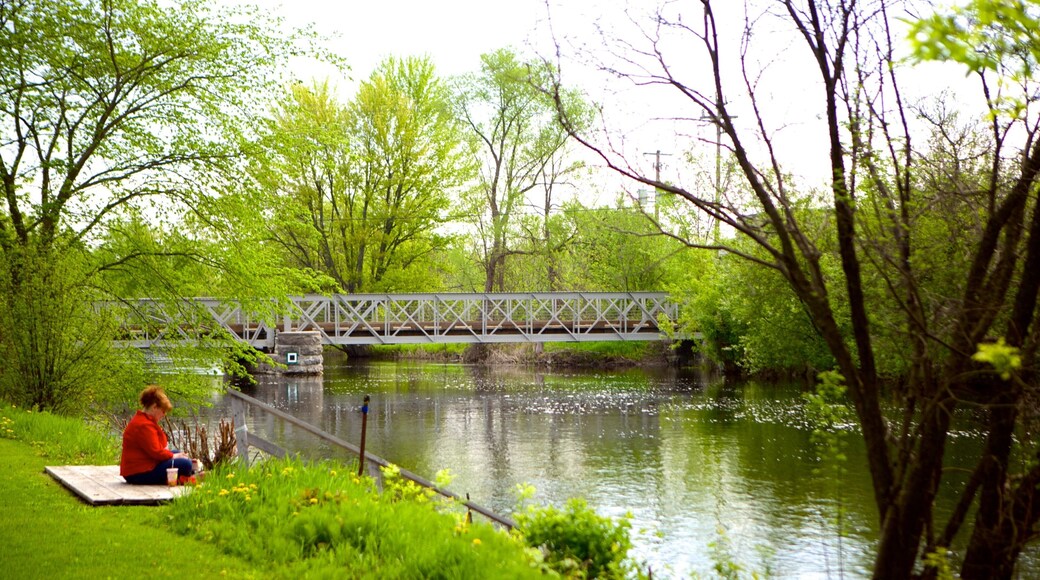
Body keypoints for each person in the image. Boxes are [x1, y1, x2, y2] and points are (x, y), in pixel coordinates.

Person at [120, 385, 196, 485]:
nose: (164, 414)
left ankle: (183, 477)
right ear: (154, 407)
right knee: (185, 464)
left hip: (143, 466)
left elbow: (157, 450)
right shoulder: (144, 425)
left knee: (178, 454)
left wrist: (175, 455)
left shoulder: (143, 420)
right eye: (163, 411)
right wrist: (174, 456)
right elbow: (157, 452)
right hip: (138, 474)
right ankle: (185, 477)